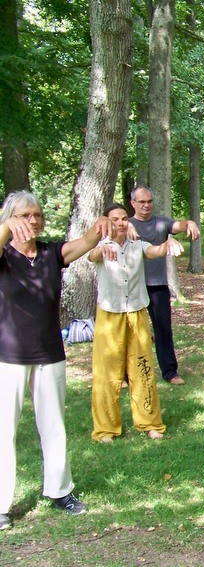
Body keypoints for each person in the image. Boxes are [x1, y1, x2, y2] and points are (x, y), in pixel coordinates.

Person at [1, 191, 113, 529]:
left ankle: (60, 490)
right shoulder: (4, 254)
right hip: (8, 355)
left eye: (37, 215)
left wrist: (102, 226)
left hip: (49, 352)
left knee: (53, 425)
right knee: (4, 431)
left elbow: (85, 241)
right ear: (11, 217)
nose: (33, 220)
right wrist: (6, 226)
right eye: (24, 215)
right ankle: (2, 505)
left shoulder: (50, 253)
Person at [89, 204, 183, 442]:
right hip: (110, 315)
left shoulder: (137, 245)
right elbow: (92, 256)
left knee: (142, 368)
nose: (120, 223)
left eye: (123, 218)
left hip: (136, 312)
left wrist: (167, 245)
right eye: (114, 219)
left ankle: (150, 423)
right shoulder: (101, 246)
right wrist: (102, 250)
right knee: (108, 372)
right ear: (108, 222)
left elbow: (153, 251)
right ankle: (106, 429)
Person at [128, 186, 200, 384]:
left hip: (157, 285)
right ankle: (125, 375)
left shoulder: (161, 222)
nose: (146, 205)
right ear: (133, 203)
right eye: (142, 202)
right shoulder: (125, 225)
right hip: (133, 287)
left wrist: (190, 223)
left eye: (149, 201)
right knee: (130, 332)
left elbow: (178, 225)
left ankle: (170, 372)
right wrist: (123, 225)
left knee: (163, 330)